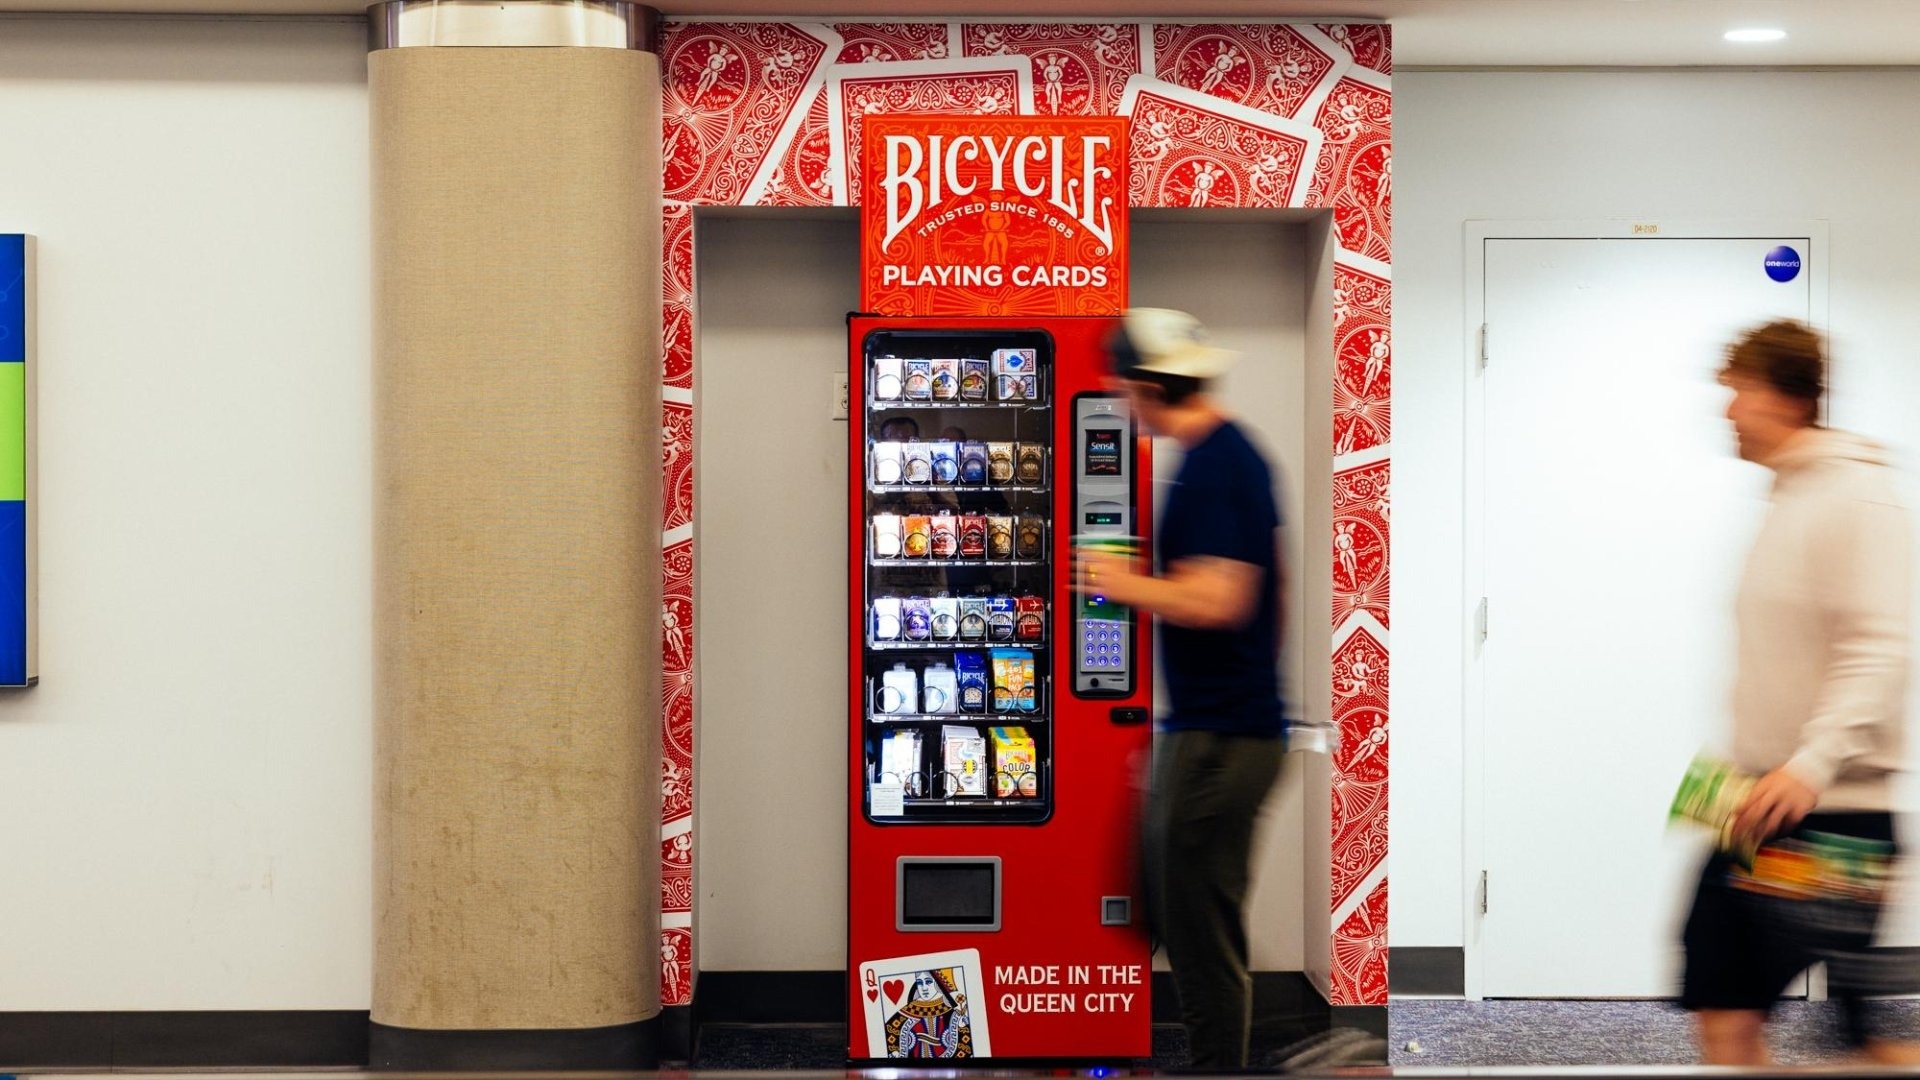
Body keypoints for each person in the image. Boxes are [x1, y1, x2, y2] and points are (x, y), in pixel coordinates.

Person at [1686, 319, 1918, 1064]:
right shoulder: (1790, 496)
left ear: (1784, 399)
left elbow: (1882, 645)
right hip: (1758, 805)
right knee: (1722, 1005)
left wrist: (1809, 765)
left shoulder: (1856, 494)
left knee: (1851, 1044)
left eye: (1738, 393)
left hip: (1830, 819)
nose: (1727, 411)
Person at [1072, 307, 1286, 1069]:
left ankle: (1217, 1071)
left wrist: (1121, 581)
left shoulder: (1221, 464)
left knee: (1200, 934)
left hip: (1226, 740)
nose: (1119, 403)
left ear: (1146, 384)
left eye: (1122, 388)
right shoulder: (1216, 457)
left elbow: (1220, 598)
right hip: (1209, 729)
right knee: (1159, 899)